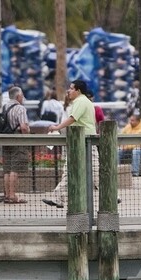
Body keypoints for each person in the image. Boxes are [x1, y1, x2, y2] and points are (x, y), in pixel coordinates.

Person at [43, 79, 98, 209]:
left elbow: (73, 118)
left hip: (84, 141)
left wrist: (57, 127)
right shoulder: (85, 102)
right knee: (76, 170)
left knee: (94, 170)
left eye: (72, 88)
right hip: (80, 140)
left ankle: (58, 198)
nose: (69, 90)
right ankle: (58, 198)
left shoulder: (80, 101)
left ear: (78, 91)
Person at [2, 86, 31, 204]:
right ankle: (13, 196)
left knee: (7, 169)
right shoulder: (20, 108)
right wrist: (27, 133)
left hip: (5, 140)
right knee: (15, 169)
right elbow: (24, 127)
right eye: (22, 95)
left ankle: (7, 195)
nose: (23, 97)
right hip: (18, 140)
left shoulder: (4, 107)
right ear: (18, 96)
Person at [119, 111, 141, 176]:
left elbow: (139, 145)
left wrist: (126, 146)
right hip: (128, 150)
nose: (130, 122)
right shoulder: (127, 127)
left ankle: (135, 172)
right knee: (118, 150)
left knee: (136, 151)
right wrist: (122, 146)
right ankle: (116, 170)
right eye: (130, 120)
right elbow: (121, 136)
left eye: (132, 120)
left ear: (138, 121)